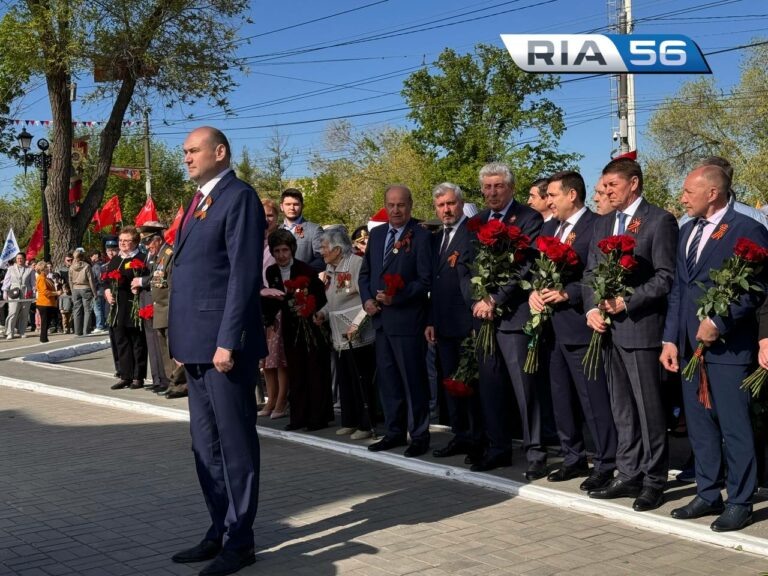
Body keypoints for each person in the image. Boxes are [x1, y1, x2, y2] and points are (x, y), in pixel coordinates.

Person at [168, 126, 266, 576]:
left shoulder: (238, 196)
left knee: (236, 444)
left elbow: (242, 276)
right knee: (203, 446)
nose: (186, 157)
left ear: (220, 152)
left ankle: (240, 539)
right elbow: (191, 274)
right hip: (195, 346)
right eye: (184, 151)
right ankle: (218, 528)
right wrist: (180, 341)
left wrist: (228, 340)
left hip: (224, 347)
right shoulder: (198, 200)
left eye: (193, 150)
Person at [661, 165, 768, 532]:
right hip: (691, 346)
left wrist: (719, 322)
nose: (682, 197)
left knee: (734, 426)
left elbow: (756, 290)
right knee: (700, 424)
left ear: (713, 193)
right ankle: (708, 492)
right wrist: (671, 339)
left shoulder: (746, 230)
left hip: (728, 348)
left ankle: (740, 500)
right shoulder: (687, 230)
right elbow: (679, 288)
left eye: (689, 191)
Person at [583, 157, 678, 512]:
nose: (606, 192)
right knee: (622, 408)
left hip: (640, 328)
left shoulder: (658, 221)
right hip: (607, 330)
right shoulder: (605, 222)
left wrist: (626, 301)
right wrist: (592, 308)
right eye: (604, 186)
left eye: (612, 186)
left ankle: (654, 480)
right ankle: (628, 472)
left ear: (633, 184)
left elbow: (666, 276)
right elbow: (591, 271)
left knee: (648, 410)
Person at [529, 171, 617, 491]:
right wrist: (535, 292)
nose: (547, 201)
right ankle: (572, 457)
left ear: (571, 196)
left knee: (592, 399)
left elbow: (598, 276)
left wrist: (569, 293)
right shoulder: (550, 227)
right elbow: (538, 270)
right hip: (551, 328)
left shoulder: (595, 226)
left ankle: (606, 461)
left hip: (581, 325)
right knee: (560, 397)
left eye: (552, 195)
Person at [470, 162, 546, 479]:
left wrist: (494, 299)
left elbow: (525, 266)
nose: (491, 192)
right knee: (490, 387)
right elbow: (464, 266)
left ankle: (536, 453)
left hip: (514, 317)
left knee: (524, 389)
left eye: (498, 186)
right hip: (483, 319)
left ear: (511, 187)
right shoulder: (474, 223)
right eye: (486, 187)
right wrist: (476, 299)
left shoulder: (528, 219)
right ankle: (498, 448)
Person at [359, 184, 432, 457]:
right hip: (381, 322)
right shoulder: (377, 235)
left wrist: (397, 297)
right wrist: (367, 299)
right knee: (389, 381)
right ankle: (394, 431)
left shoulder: (421, 236)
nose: (396, 210)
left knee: (413, 381)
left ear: (410, 205)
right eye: (391, 204)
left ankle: (420, 435)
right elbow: (365, 274)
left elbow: (424, 281)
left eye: (401, 205)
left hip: (408, 320)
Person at [425, 182, 484, 463]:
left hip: (467, 323)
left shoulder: (473, 232)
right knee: (451, 384)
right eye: (440, 205)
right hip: (443, 324)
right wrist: (431, 320)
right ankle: (460, 435)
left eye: (450, 203)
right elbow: (434, 284)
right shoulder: (436, 238)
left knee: (471, 385)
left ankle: (477, 438)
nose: (446, 210)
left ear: (460, 203)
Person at [263, 229, 333, 431]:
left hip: (311, 325)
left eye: (285, 250)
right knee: (295, 371)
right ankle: (298, 416)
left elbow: (320, 297)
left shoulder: (306, 271)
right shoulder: (272, 272)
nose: (281, 255)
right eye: (276, 251)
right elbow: (275, 300)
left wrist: (311, 310)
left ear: (292, 249)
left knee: (313, 370)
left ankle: (317, 417)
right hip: (290, 326)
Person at [315, 227, 377, 440]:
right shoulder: (330, 267)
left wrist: (357, 325)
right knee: (346, 380)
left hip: (357, 335)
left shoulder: (355, 264)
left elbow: (366, 298)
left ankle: (366, 423)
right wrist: (322, 313)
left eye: (324, 247)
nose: (321, 251)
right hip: (338, 335)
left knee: (361, 381)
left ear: (338, 249)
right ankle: (350, 420)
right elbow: (333, 298)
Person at [132, 222, 176, 395]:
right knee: (164, 350)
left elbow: (172, 286)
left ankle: (178, 382)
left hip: (168, 308)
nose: (147, 247)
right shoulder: (158, 256)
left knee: (171, 349)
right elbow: (155, 279)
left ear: (157, 240)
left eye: (148, 242)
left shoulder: (169, 254)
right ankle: (170, 381)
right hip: (160, 309)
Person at [104, 226, 149, 390]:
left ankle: (138, 376)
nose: (122, 243)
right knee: (121, 340)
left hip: (133, 304)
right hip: (117, 306)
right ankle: (125, 375)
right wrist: (107, 291)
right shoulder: (115, 260)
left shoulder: (142, 258)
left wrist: (139, 285)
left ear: (135, 242)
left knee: (137, 341)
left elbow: (147, 279)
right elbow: (106, 281)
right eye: (120, 240)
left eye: (126, 240)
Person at [258, 198, 289, 420]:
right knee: (265, 357)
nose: (266, 219)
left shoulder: (281, 240)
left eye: (270, 215)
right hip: (259, 303)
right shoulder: (254, 239)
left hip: (278, 301)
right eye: (263, 215)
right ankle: (270, 398)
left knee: (278, 357)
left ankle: (281, 400)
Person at [279, 188, 324, 271]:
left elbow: (322, 258)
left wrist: (303, 272)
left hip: (304, 281)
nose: (292, 208)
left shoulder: (314, 230)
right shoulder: (276, 230)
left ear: (302, 206)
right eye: (288, 204)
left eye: (296, 204)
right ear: (281, 207)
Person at [2, 252, 35, 339]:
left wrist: (34, 293)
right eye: (18, 258)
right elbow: (6, 281)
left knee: (24, 313)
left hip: (26, 293)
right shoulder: (11, 269)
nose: (20, 260)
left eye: (21, 258)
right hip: (14, 293)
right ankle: (9, 332)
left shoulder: (30, 269)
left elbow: (33, 283)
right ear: (16, 260)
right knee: (13, 312)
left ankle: (22, 331)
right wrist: (5, 291)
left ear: (25, 259)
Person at [69, 249, 97, 336]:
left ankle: (77, 331)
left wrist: (72, 290)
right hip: (86, 288)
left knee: (77, 310)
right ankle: (86, 330)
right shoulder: (87, 266)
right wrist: (94, 293)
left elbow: (70, 280)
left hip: (75, 289)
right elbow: (91, 280)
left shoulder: (71, 267)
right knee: (87, 310)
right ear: (82, 257)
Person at [34, 261, 58, 343]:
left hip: (50, 303)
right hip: (44, 303)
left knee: (47, 321)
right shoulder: (41, 278)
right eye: (46, 268)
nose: (48, 269)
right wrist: (56, 293)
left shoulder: (47, 278)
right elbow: (45, 292)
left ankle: (44, 338)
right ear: (42, 270)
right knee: (45, 322)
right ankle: (43, 338)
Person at [90, 250, 108, 333]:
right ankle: (104, 324)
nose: (91, 258)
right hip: (104, 289)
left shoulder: (96, 266)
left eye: (92, 255)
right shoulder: (104, 265)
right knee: (103, 308)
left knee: (98, 309)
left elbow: (98, 278)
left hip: (98, 290)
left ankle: (100, 325)